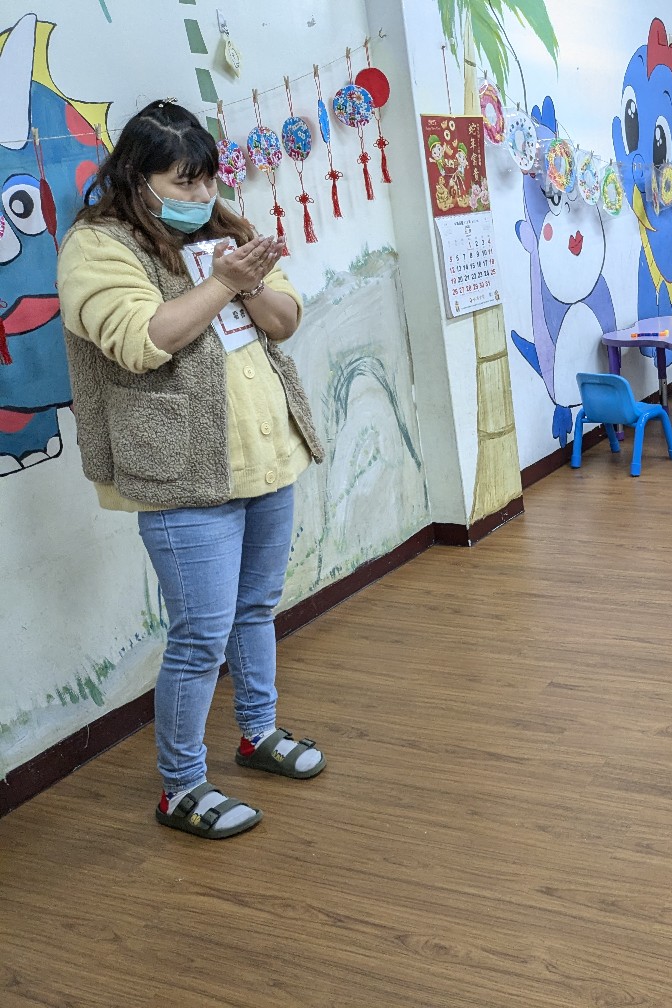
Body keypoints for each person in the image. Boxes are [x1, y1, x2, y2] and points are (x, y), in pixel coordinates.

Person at [56, 101, 327, 839]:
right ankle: (180, 787)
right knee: (200, 636)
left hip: (265, 459)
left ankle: (258, 733)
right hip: (181, 475)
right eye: (185, 182)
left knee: (256, 608)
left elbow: (284, 320)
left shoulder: (221, 229)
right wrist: (224, 283)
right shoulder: (96, 246)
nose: (204, 196)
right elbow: (142, 340)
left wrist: (248, 280)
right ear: (136, 177)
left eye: (209, 180)